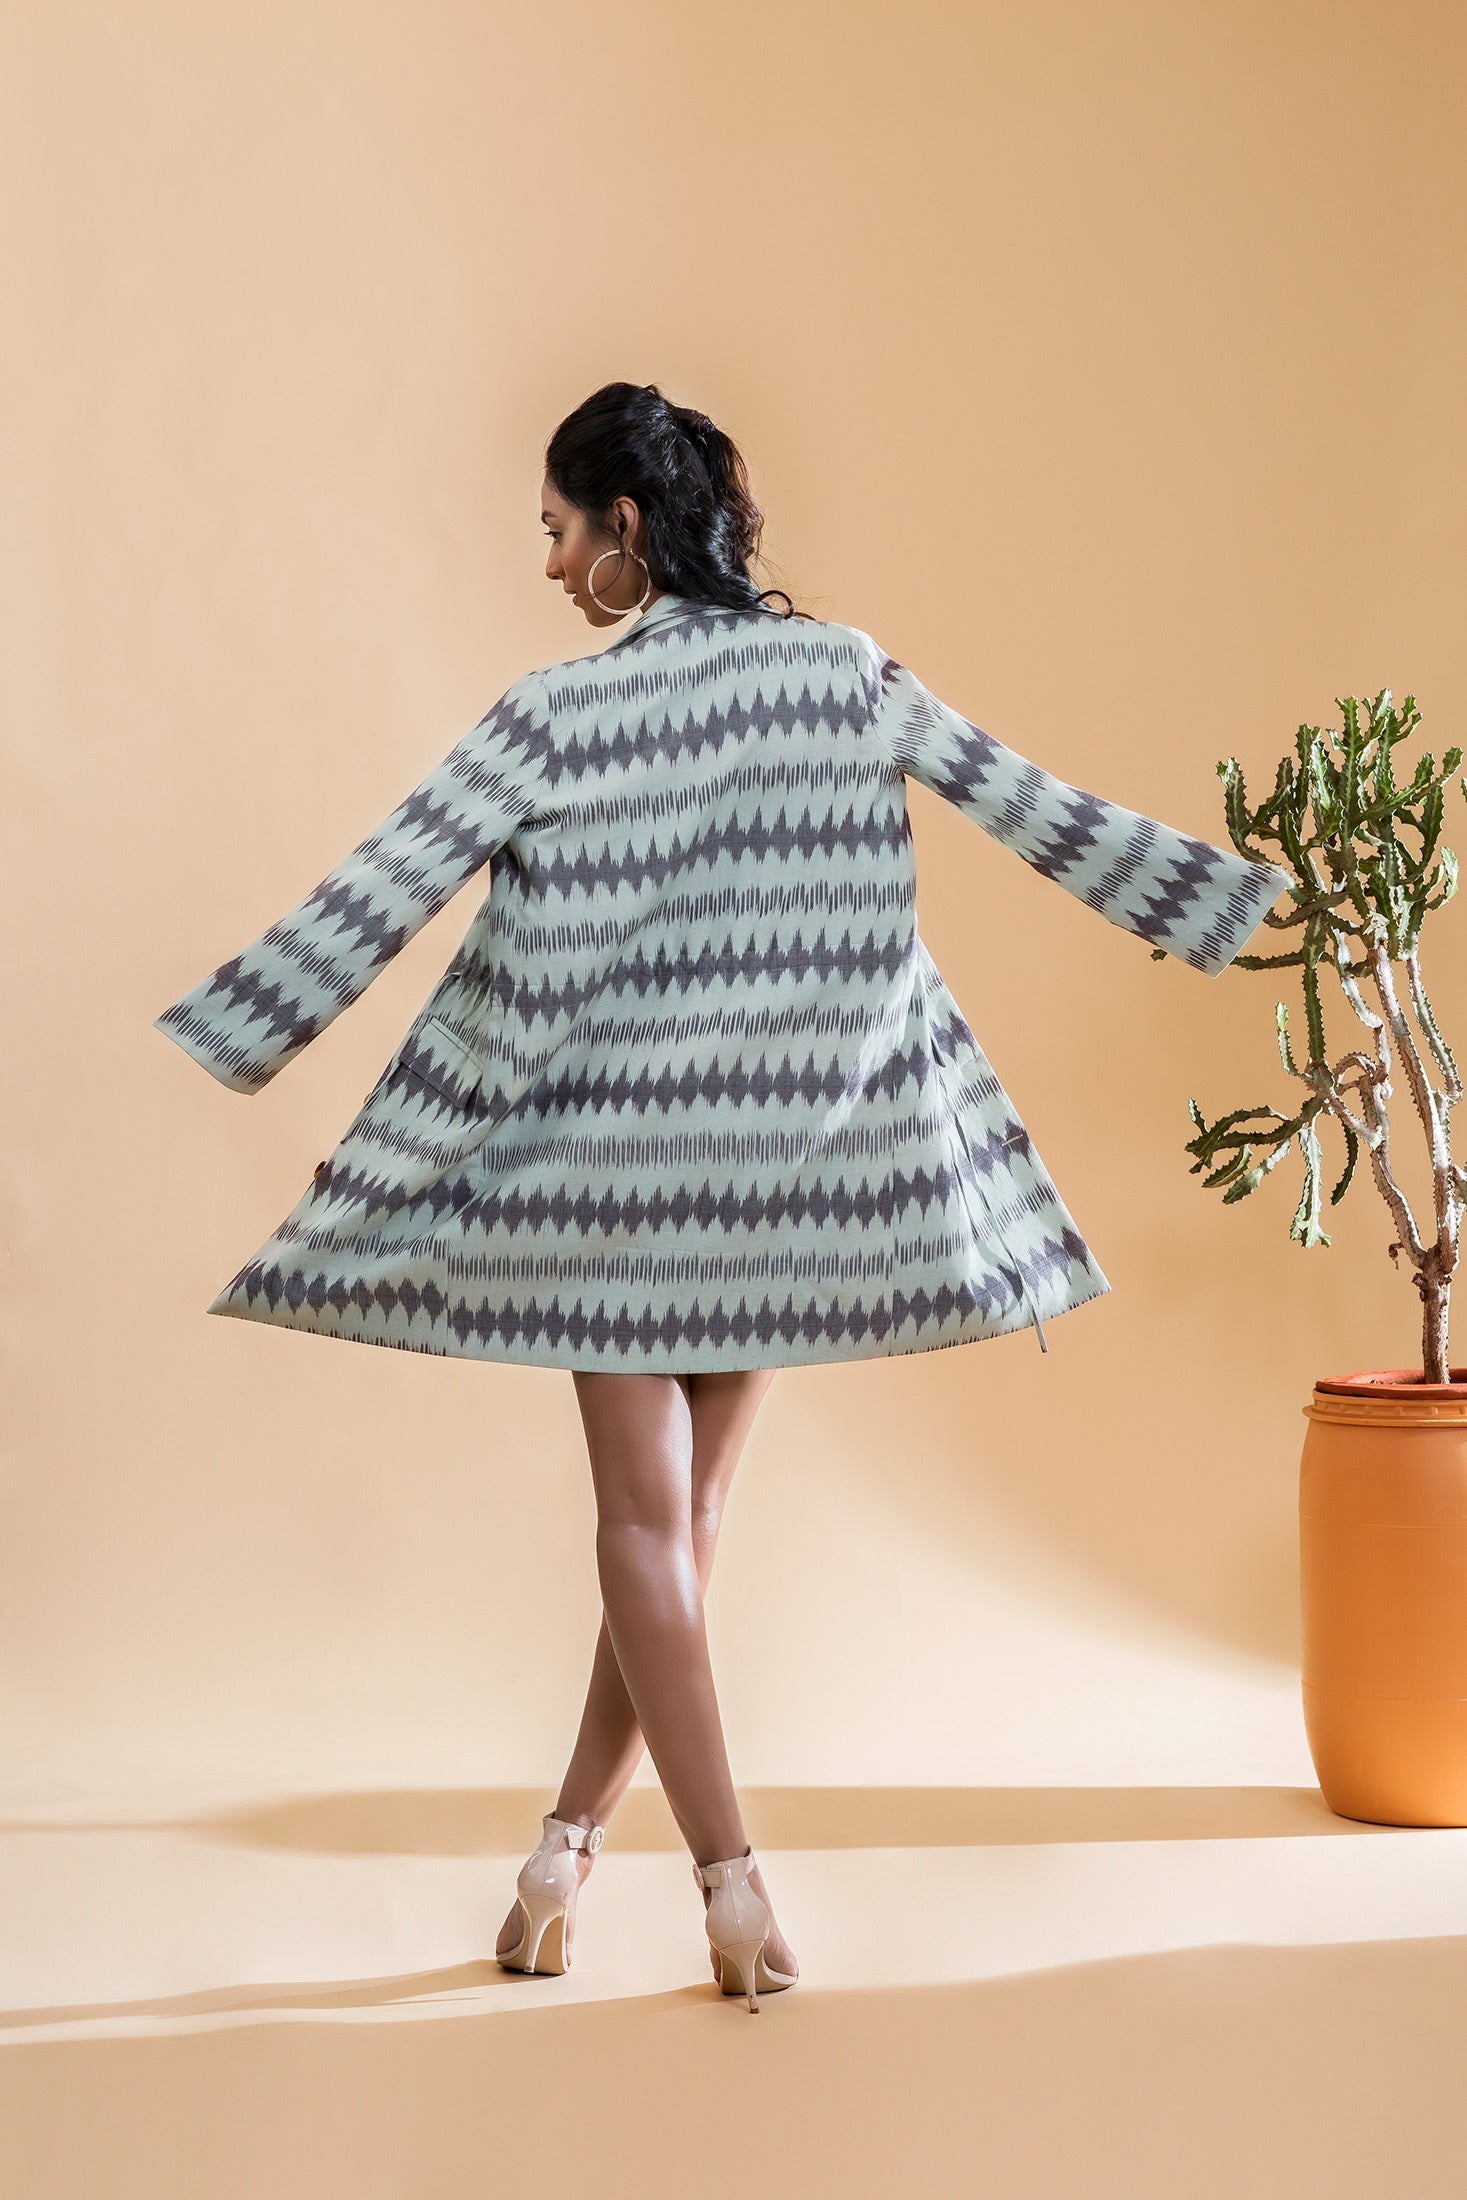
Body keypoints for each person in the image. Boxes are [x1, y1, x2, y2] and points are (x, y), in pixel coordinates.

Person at [152, 380, 1292, 2011]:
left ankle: (729, 1886)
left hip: (605, 1179)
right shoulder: (845, 674)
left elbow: (380, 890)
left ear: (626, 527)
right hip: (786, 1169)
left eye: (559, 531)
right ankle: (559, 1861)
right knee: (678, 1541)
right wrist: (1227, 907)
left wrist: (235, 1036)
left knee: (643, 1531)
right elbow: (1034, 807)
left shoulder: (552, 716)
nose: (552, 567)